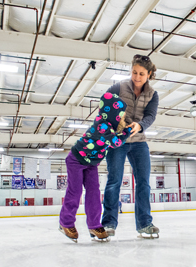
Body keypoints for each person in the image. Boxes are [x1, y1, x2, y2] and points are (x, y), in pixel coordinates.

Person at [59, 92, 131, 243]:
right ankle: (65, 223)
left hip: (91, 163)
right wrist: (127, 132)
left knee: (94, 192)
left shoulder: (110, 127)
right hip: (76, 159)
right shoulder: (102, 125)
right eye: (121, 115)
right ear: (113, 112)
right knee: (76, 190)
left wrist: (125, 130)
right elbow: (115, 143)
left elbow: (116, 139)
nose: (122, 118)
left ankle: (94, 224)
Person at [102, 54, 160, 238]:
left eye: (141, 74)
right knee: (114, 181)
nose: (137, 77)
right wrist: (116, 121)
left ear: (149, 74)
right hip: (118, 141)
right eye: (134, 72)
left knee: (143, 183)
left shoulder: (152, 94)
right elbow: (105, 102)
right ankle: (108, 224)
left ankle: (144, 224)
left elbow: (150, 116)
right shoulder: (119, 87)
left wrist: (139, 125)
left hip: (139, 142)